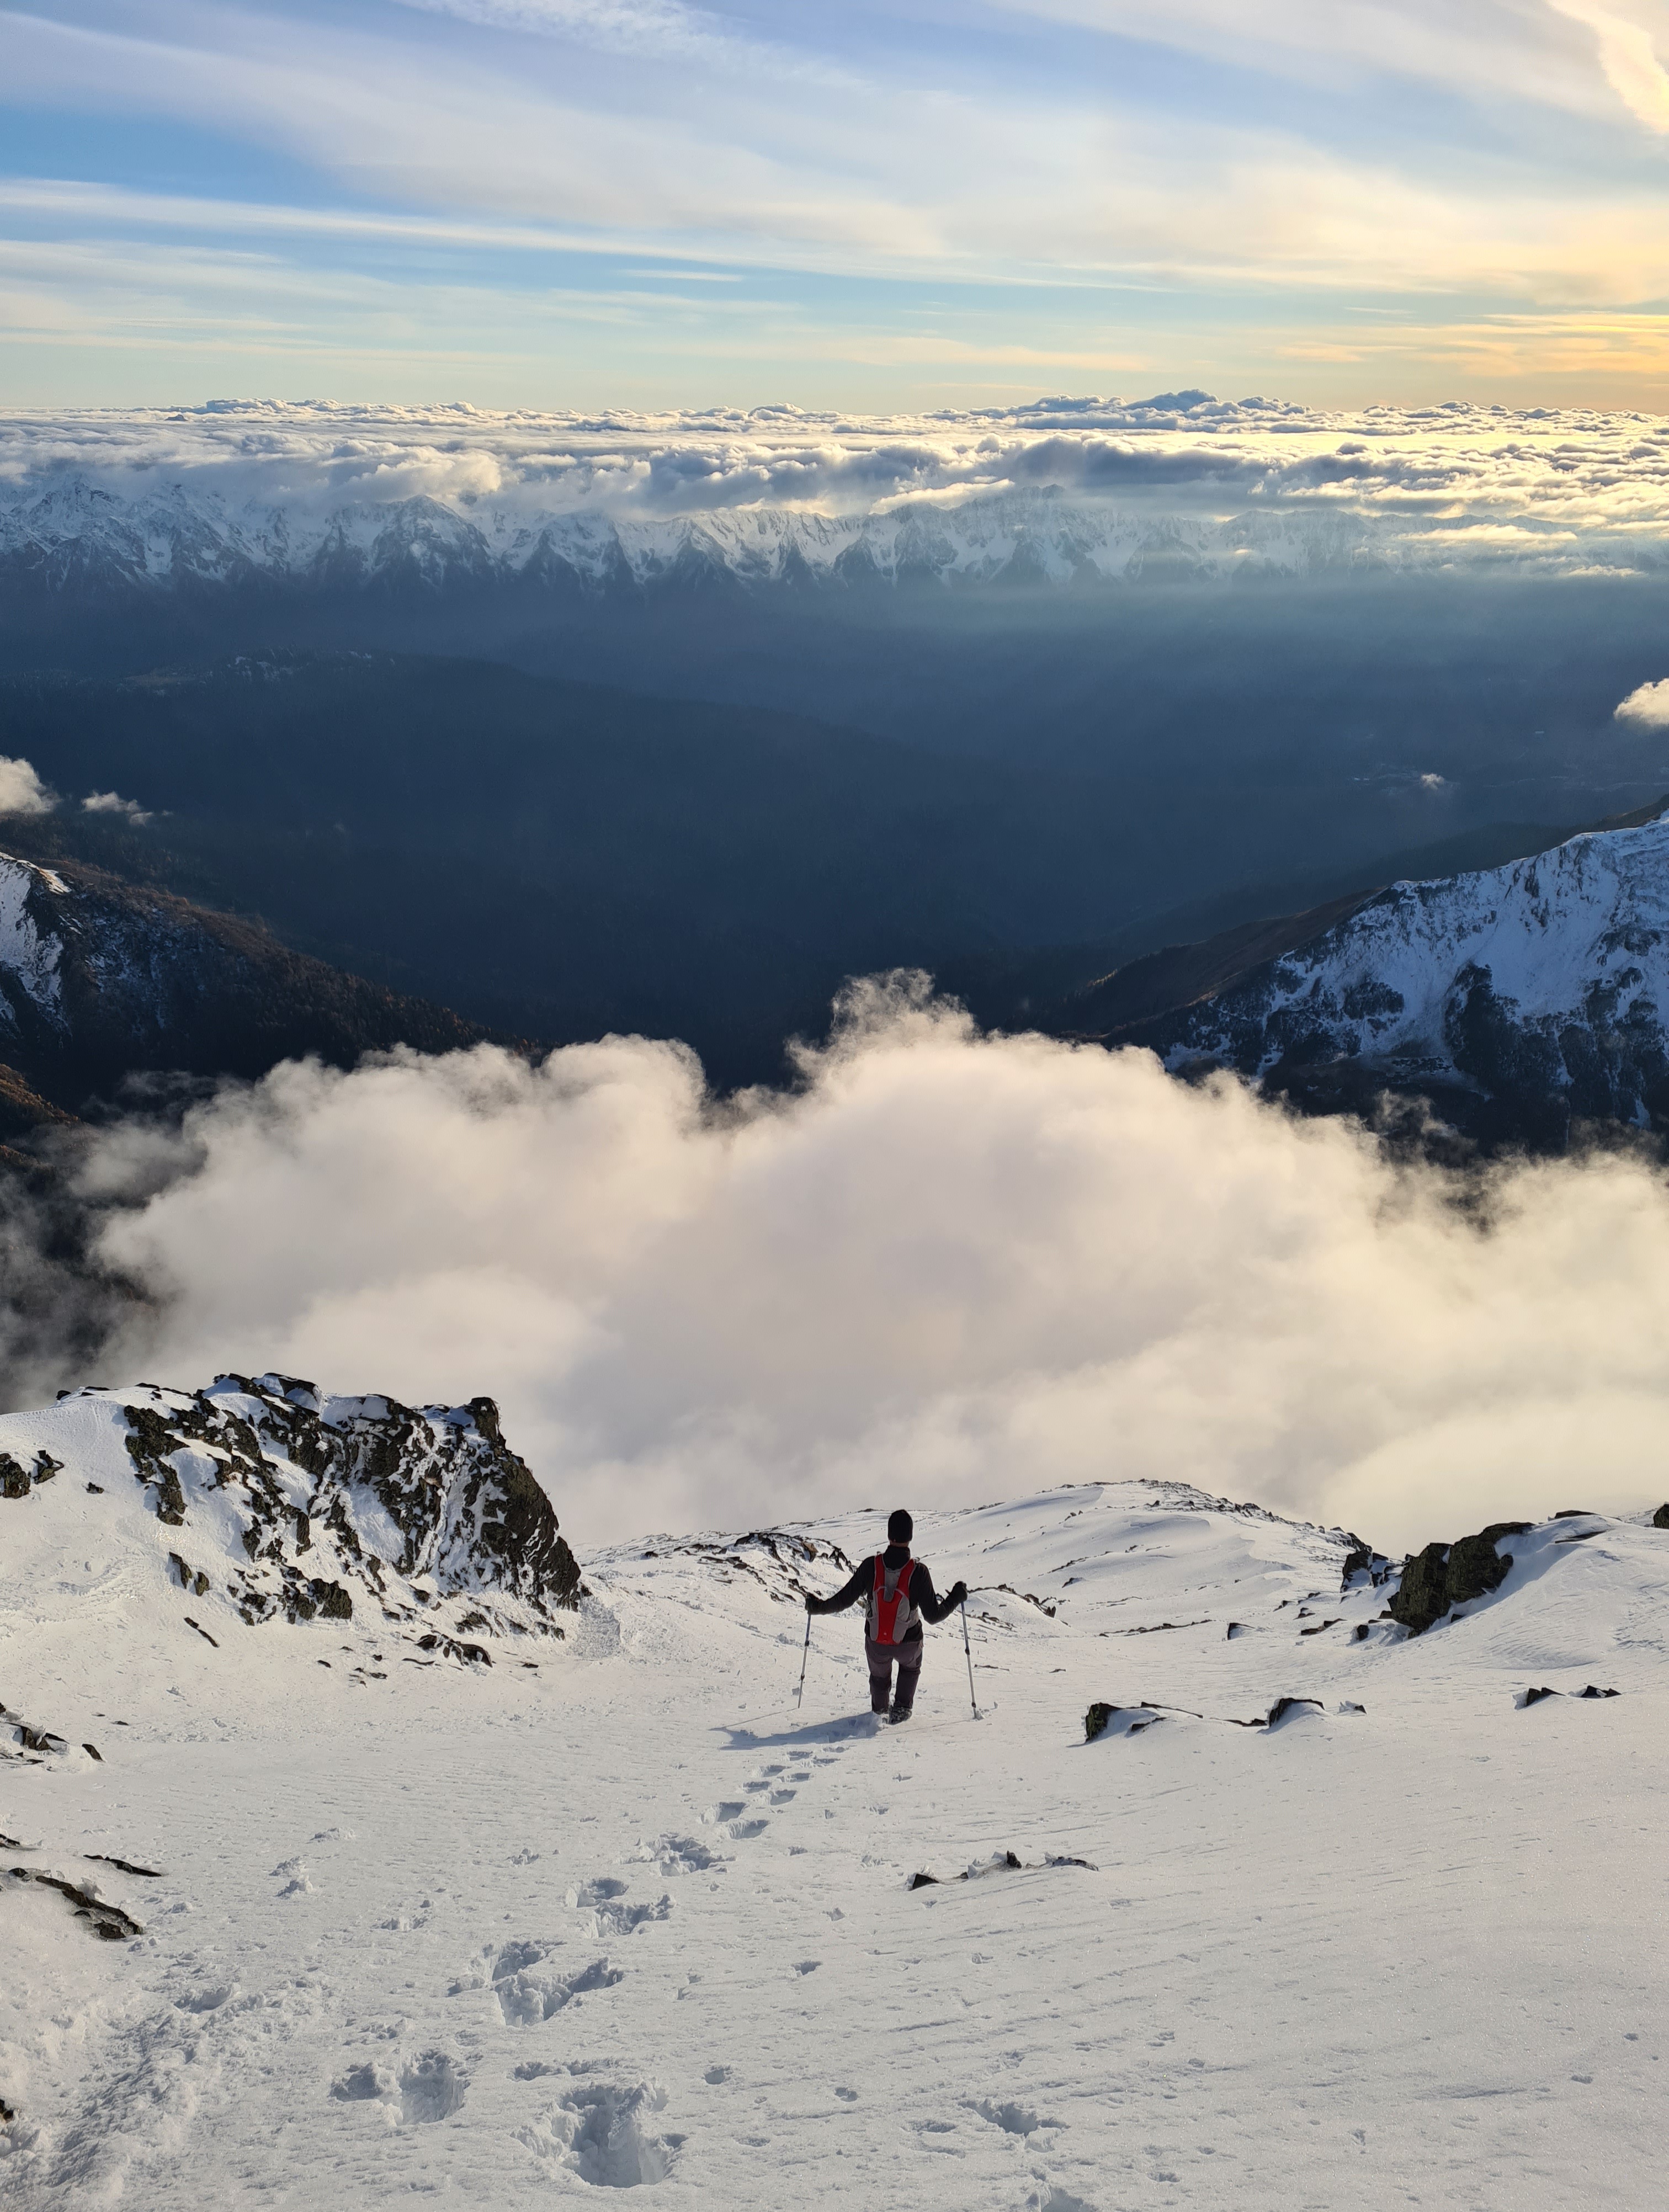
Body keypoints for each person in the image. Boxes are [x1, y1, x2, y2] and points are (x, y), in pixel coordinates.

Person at [804, 1509, 968, 1725]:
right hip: (908, 1644)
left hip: (876, 1642)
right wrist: (956, 1597)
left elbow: (844, 1600)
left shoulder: (871, 1566)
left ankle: (879, 1711)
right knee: (910, 1668)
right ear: (910, 1536)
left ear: (889, 1535)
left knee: (879, 1676)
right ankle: (902, 1709)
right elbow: (933, 1616)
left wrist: (817, 1607)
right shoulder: (919, 1572)